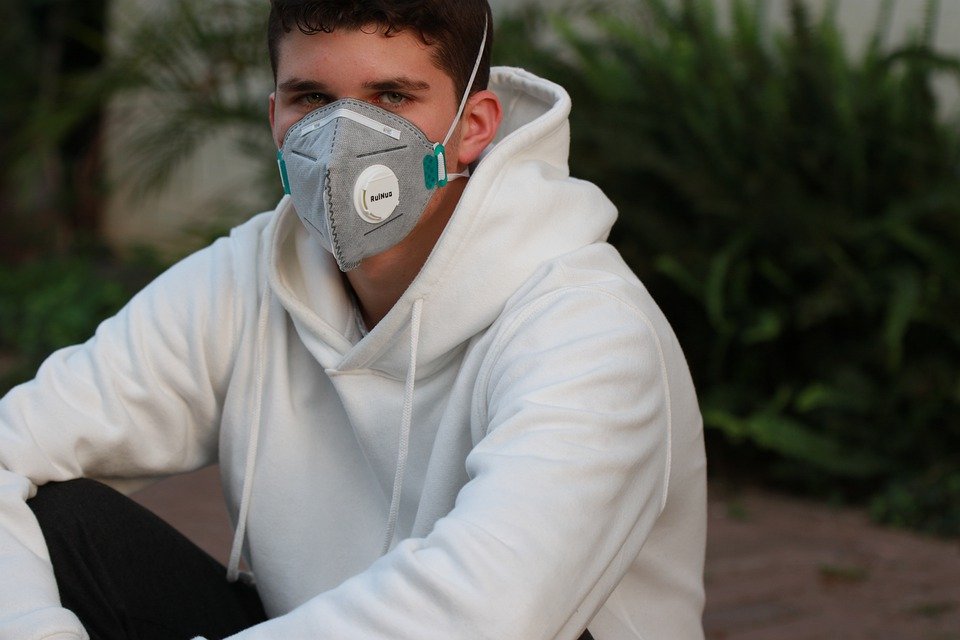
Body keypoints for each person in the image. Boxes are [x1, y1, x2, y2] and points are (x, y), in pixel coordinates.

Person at [0, 1, 707, 638]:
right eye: (311, 98)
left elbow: (490, 610)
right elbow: (11, 446)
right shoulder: (247, 276)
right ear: (275, 117)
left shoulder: (589, 329)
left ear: (474, 127)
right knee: (57, 520)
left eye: (392, 97)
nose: (343, 139)